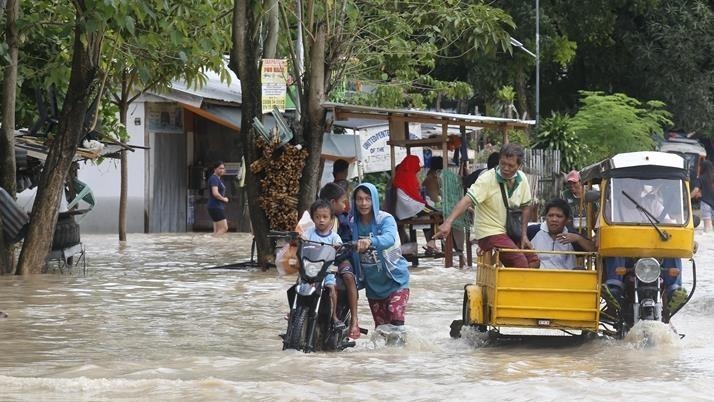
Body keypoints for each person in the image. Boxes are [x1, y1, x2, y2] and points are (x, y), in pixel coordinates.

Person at [434, 143, 539, 268]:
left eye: (510, 165)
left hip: (510, 231)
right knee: (519, 260)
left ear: (519, 166)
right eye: (502, 163)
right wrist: (448, 222)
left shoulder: (522, 178)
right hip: (489, 232)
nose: (505, 168)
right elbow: (467, 200)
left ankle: (515, 285)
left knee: (534, 260)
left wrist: (524, 235)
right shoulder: (487, 179)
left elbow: (526, 206)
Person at [600, 178, 687, 312]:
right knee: (615, 245)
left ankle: (673, 290)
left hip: (654, 257)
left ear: (641, 187)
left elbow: (671, 227)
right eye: (629, 183)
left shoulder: (653, 205)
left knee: (672, 246)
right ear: (620, 185)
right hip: (625, 258)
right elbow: (600, 235)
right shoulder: (611, 207)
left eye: (636, 184)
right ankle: (614, 287)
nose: (633, 188)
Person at [350, 183, 410, 337]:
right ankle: (386, 361)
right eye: (359, 199)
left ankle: (399, 357)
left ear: (374, 200)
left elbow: (389, 238)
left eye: (368, 199)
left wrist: (371, 242)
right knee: (382, 331)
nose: (363, 203)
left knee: (396, 322)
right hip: (373, 287)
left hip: (395, 281)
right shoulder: (351, 223)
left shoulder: (385, 219)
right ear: (354, 201)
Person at [318, 182, 360, 339]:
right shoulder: (314, 216)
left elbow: (349, 239)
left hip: (340, 259)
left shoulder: (343, 220)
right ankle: (295, 313)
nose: (345, 205)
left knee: (349, 277)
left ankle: (355, 319)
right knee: (302, 276)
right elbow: (304, 231)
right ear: (332, 202)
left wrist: (347, 246)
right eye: (343, 201)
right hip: (318, 260)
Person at [302, 199, 350, 330]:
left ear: (331, 218)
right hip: (309, 270)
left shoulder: (334, 237)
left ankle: (334, 316)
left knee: (331, 288)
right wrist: (300, 240)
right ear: (313, 218)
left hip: (326, 271)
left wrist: (339, 247)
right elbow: (302, 242)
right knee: (298, 287)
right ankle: (294, 312)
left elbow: (341, 248)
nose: (321, 220)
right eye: (317, 217)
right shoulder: (309, 234)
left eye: (325, 217)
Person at [527, 198, 595, 269]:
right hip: (536, 278)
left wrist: (578, 238)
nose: (554, 219)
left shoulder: (572, 234)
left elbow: (593, 249)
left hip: (566, 278)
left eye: (559, 216)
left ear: (566, 220)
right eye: (550, 215)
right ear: (546, 217)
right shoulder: (533, 231)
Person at [421, 156, 443, 253]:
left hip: (430, 204)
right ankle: (432, 242)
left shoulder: (433, 176)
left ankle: (432, 242)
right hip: (430, 205)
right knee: (439, 216)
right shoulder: (431, 178)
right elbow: (434, 196)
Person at [206, 161, 229, 236]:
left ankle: (213, 244)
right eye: (220, 168)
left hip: (215, 206)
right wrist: (224, 199)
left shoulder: (218, 179)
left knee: (217, 231)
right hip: (215, 206)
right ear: (215, 169)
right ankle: (212, 241)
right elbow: (215, 193)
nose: (222, 170)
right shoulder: (214, 179)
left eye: (223, 168)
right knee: (224, 228)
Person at [692, 160, 714, 233]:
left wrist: (688, 198)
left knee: (708, 229)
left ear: (703, 168)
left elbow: (695, 190)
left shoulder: (700, 178)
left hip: (706, 203)